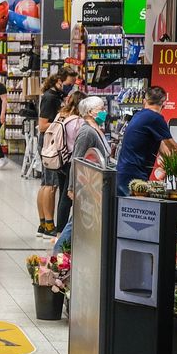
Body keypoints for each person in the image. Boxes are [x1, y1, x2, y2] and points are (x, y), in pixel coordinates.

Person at [54, 96, 112, 253]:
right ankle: (57, 255)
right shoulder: (87, 132)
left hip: (96, 185)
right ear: (91, 112)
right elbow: (76, 159)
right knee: (76, 221)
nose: (104, 112)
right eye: (101, 109)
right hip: (87, 186)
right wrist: (72, 187)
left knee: (79, 221)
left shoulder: (96, 130)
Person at [115, 86, 177, 196]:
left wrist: (169, 163)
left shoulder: (140, 115)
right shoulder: (155, 118)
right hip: (134, 176)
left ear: (144, 101)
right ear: (164, 103)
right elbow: (174, 148)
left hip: (125, 172)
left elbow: (161, 145)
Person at [36, 69, 76, 237]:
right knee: (50, 185)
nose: (70, 87)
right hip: (50, 144)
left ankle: (43, 224)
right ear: (59, 80)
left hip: (51, 143)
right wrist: (61, 122)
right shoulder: (50, 98)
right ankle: (49, 225)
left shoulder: (56, 96)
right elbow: (42, 125)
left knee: (46, 183)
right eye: (68, 84)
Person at [53, 91, 86, 232]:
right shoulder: (79, 122)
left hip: (61, 158)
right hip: (72, 161)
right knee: (68, 197)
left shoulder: (62, 116)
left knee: (62, 195)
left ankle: (59, 228)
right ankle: (62, 231)